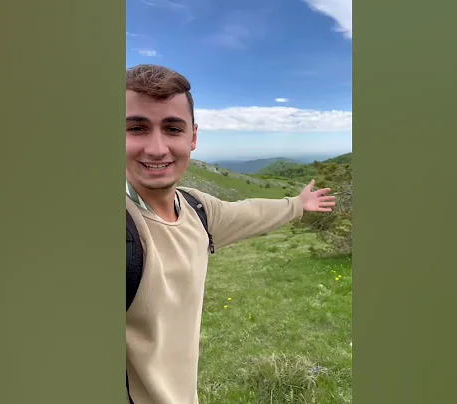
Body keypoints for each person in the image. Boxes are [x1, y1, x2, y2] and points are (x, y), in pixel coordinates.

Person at [125, 64, 335, 404]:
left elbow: (249, 211)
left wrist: (297, 204)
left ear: (192, 138)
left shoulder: (197, 210)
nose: (157, 148)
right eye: (137, 128)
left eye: (172, 128)